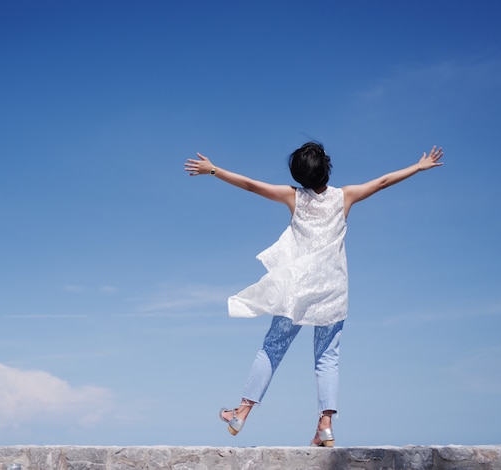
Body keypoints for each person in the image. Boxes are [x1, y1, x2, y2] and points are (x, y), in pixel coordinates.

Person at [184, 142, 444, 447]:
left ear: (298, 174)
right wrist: (418, 166)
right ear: (327, 169)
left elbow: (251, 185)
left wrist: (213, 170)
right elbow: (383, 181)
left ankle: (241, 412)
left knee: (272, 348)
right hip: (333, 291)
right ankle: (325, 426)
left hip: (298, 290)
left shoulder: (293, 197)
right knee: (327, 359)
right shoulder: (344, 197)